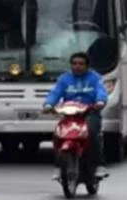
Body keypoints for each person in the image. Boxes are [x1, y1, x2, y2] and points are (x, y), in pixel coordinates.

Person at [43, 51, 109, 179]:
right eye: (74, 64)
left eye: (81, 64)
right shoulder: (64, 79)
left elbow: (101, 91)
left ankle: (99, 165)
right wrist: (48, 104)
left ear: (87, 66)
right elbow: (55, 93)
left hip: (89, 112)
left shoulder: (95, 78)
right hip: (69, 113)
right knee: (58, 134)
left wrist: (100, 101)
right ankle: (58, 166)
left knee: (92, 133)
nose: (77, 66)